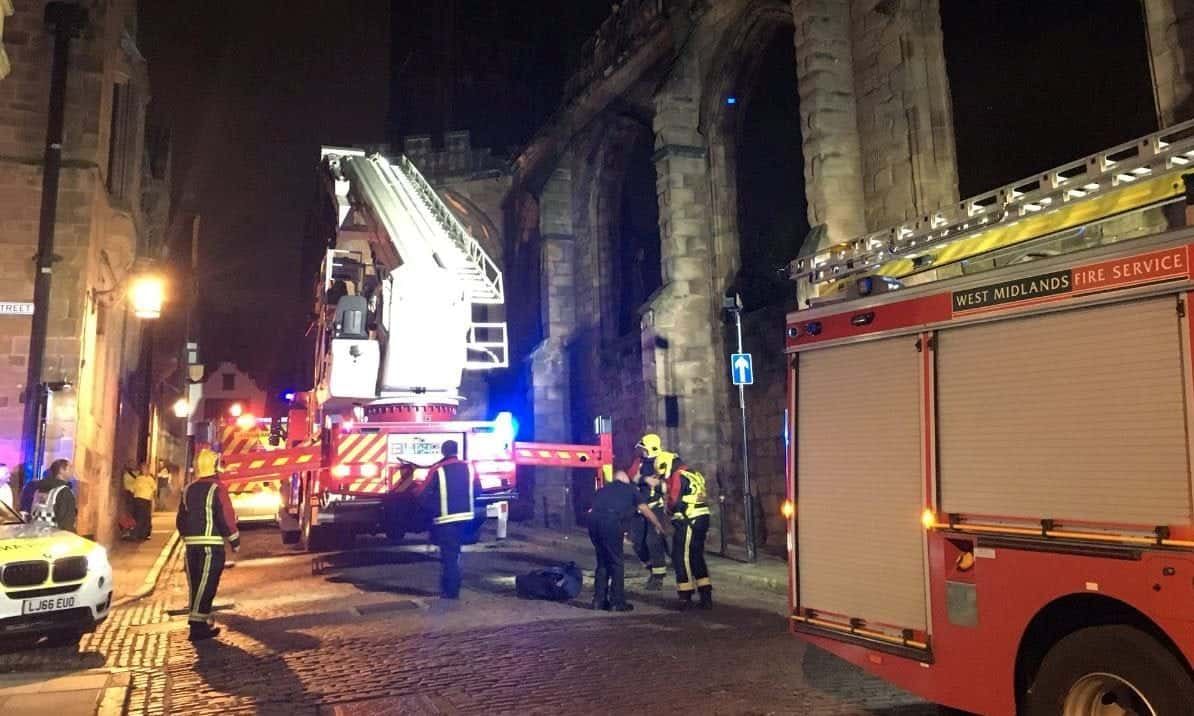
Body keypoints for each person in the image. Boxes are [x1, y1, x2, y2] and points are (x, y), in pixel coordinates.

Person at [177, 448, 239, 641]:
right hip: (211, 545)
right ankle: (197, 626)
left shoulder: (188, 489)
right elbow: (226, 516)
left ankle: (199, 621)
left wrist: (187, 537)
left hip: (191, 546)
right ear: (215, 466)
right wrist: (234, 540)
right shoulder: (217, 488)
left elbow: (181, 519)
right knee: (207, 584)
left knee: (196, 584)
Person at [588, 469, 666, 612]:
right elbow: (645, 509)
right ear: (625, 480)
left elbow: (592, 507)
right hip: (611, 522)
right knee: (617, 563)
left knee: (602, 561)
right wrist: (659, 525)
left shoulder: (603, 489)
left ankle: (598, 601)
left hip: (593, 522)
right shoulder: (630, 489)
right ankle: (617, 602)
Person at [422, 440, 479, 599]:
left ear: (443, 452)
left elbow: (423, 495)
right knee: (455, 554)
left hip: (446, 521)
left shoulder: (437, 470)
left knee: (449, 557)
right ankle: (452, 589)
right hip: (466, 519)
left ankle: (451, 592)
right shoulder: (469, 467)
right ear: (456, 451)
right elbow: (478, 491)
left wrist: (432, 511)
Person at [663, 453, 713, 610]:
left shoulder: (677, 475)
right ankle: (706, 595)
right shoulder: (693, 473)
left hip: (688, 520)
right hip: (702, 517)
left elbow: (675, 501)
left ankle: (685, 596)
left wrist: (669, 509)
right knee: (696, 556)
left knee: (680, 557)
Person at [23, 459, 77, 532]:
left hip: (35, 536)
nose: (72, 472)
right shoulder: (64, 492)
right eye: (70, 468)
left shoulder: (38, 489)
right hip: (53, 539)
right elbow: (66, 524)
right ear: (61, 470)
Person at [123, 463, 157, 540]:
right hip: (141, 500)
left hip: (142, 500)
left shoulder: (145, 479)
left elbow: (133, 489)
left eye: (145, 469)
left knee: (142, 517)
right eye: (144, 469)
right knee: (142, 517)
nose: (145, 470)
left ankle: (140, 534)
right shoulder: (142, 478)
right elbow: (154, 488)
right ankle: (141, 534)